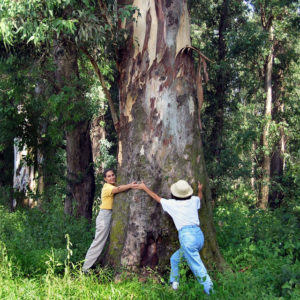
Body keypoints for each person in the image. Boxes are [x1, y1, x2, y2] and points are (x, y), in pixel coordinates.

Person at [136, 179, 213, 294]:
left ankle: (210, 291)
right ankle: (174, 285)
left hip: (187, 238)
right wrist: (200, 190)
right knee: (175, 259)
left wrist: (144, 187)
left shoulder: (172, 204)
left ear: (174, 194)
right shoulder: (193, 200)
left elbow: (156, 197)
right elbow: (200, 197)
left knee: (197, 267)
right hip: (198, 236)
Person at [82, 169, 138, 273]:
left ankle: (91, 266)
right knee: (98, 242)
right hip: (104, 216)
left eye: (112, 175)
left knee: (104, 242)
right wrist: (130, 185)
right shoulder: (107, 187)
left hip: (109, 215)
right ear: (105, 179)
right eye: (108, 176)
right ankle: (85, 269)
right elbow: (118, 189)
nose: (111, 177)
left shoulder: (113, 185)